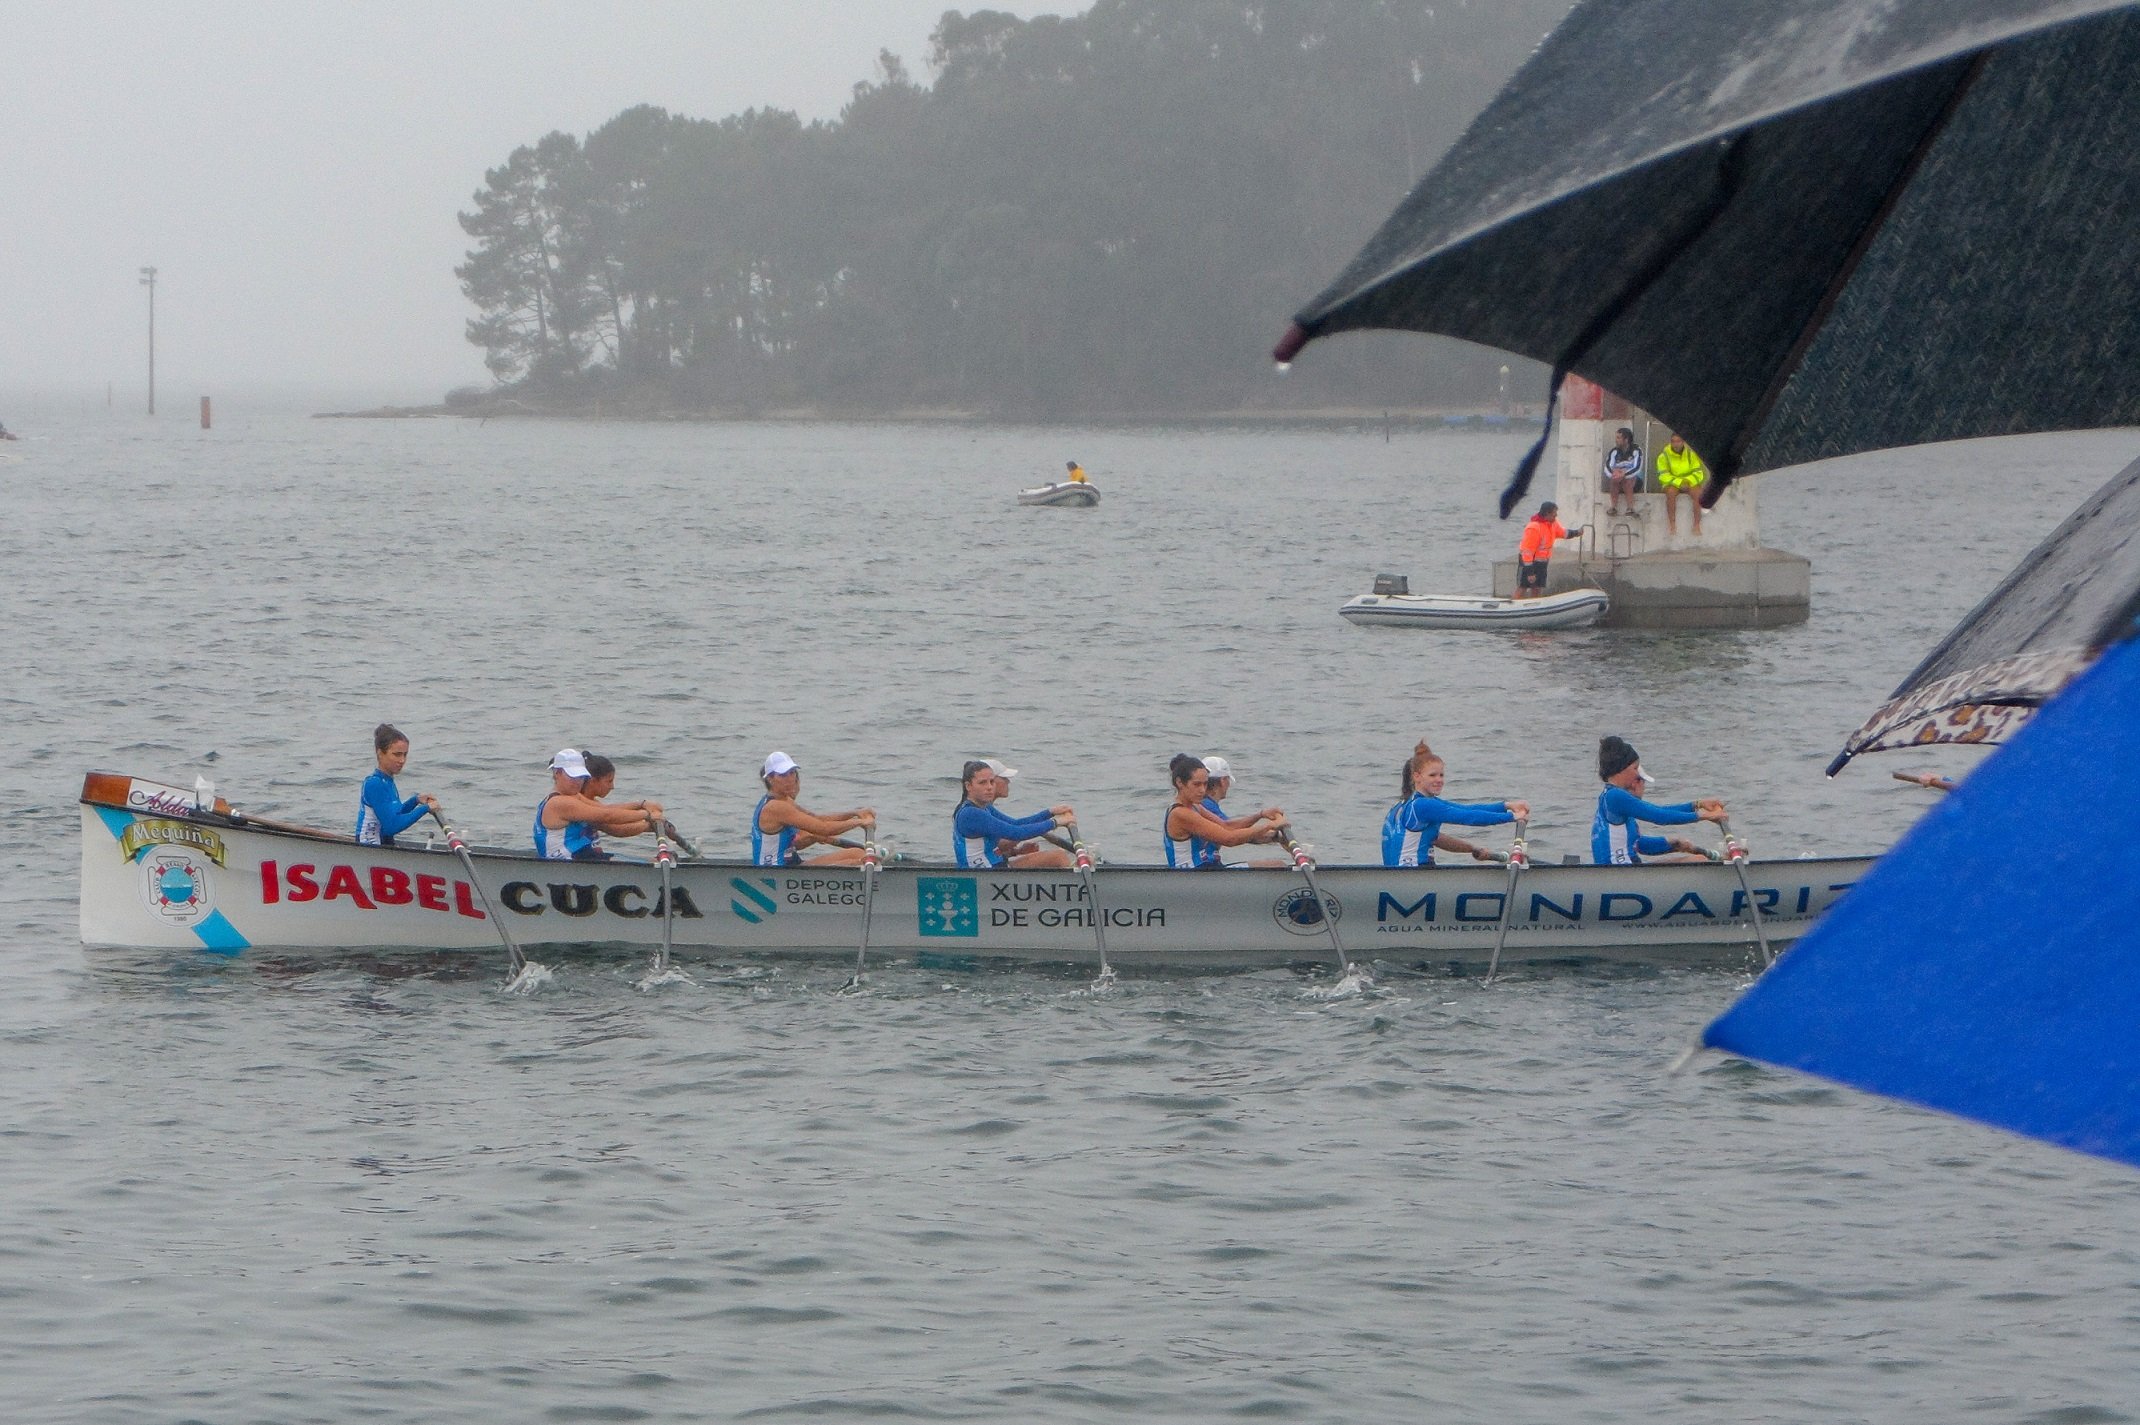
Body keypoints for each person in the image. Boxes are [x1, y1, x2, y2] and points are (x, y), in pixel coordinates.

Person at [1381, 741, 1529, 867]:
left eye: (1441, 775)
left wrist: (1506, 806)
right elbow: (1467, 817)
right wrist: (1512, 817)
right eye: (1432, 775)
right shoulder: (1422, 806)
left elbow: (1465, 810)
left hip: (1400, 874)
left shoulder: (1401, 807)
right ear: (1417, 777)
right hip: (1415, 873)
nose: (1439, 780)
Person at [1591, 735, 1725, 864]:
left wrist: (1697, 805)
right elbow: (1659, 816)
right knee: (1699, 861)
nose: (1638, 774)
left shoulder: (1612, 798)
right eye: (1635, 768)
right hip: (1619, 873)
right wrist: (1704, 816)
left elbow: (1639, 843)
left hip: (1626, 870)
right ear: (1621, 768)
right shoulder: (1615, 796)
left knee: (1699, 858)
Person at [534, 747, 664, 861]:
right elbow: (606, 816)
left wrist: (641, 804)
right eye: (572, 777)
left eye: (580, 777)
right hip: (567, 864)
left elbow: (605, 809)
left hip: (583, 857)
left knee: (648, 862)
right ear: (557, 773)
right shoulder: (559, 802)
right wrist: (647, 815)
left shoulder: (574, 796)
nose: (578, 782)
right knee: (648, 863)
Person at [753, 751, 875, 866]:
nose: (790, 779)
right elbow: (824, 828)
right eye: (783, 775)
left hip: (791, 865)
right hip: (775, 872)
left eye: (792, 772)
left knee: (857, 853)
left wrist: (854, 813)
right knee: (856, 862)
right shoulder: (776, 807)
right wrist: (859, 822)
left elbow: (817, 819)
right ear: (770, 778)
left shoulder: (784, 800)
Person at [1164, 754, 1287, 869]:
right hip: (1192, 877)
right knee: (1278, 865)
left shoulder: (1195, 807)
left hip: (1208, 871)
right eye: (1196, 784)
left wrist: (1260, 815)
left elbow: (1227, 826)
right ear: (1179, 782)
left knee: (1277, 865)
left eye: (1205, 784)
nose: (1202, 790)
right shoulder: (1180, 813)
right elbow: (1229, 839)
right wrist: (1269, 826)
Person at [953, 760, 1074, 869]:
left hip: (996, 866)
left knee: (1056, 856)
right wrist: (1056, 822)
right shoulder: (970, 813)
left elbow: (1016, 823)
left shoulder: (985, 808)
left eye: (991, 782)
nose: (989, 787)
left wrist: (1050, 812)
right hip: (986, 874)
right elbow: (1016, 833)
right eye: (982, 783)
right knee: (1058, 857)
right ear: (968, 786)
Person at [356, 723, 439, 848]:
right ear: (380, 753)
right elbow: (391, 826)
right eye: (397, 754)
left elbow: (396, 814)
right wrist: (425, 808)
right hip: (369, 848)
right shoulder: (374, 784)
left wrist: (415, 800)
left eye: (405, 754)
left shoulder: (388, 781)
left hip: (382, 844)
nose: (402, 760)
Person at [1515, 501, 1582, 599]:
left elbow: (1563, 533)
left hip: (1542, 562)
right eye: (1554, 514)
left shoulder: (1552, 524)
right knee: (1523, 587)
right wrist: (1530, 572)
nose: (1556, 516)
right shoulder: (1534, 528)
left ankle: (1535, 608)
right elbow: (1527, 552)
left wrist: (1576, 533)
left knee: (1537, 587)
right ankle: (1514, 606)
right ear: (1547, 514)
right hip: (1528, 562)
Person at [1653, 433, 1708, 536]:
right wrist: (1679, 483)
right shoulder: (1663, 456)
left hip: (1689, 482)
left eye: (1678, 441)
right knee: (1670, 493)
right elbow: (1663, 475)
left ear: (1683, 442)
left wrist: (1687, 481)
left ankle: (1696, 525)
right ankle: (1672, 525)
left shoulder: (1691, 454)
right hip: (1673, 483)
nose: (1675, 444)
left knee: (1699, 494)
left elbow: (1698, 473)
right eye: (1673, 441)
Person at [1603, 426, 1643, 515]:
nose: (1616, 440)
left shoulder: (1636, 450)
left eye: (1618, 438)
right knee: (1614, 479)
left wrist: (1624, 473)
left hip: (1635, 480)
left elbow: (1637, 467)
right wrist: (1615, 474)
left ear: (1626, 439)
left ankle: (1630, 508)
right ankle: (1613, 507)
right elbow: (1607, 467)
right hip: (1618, 480)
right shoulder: (1614, 452)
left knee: (1627, 480)